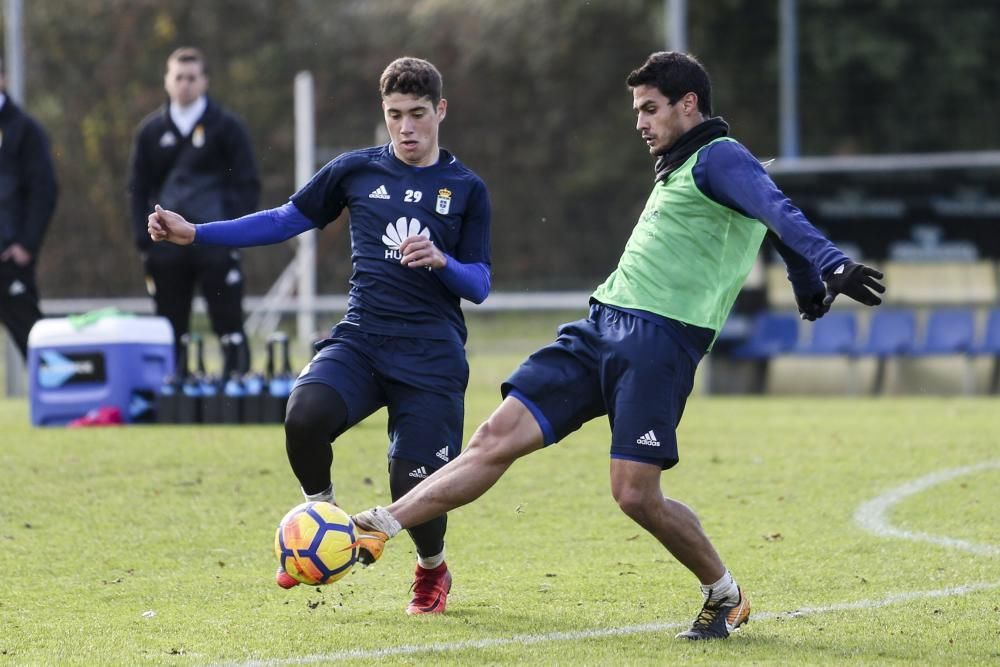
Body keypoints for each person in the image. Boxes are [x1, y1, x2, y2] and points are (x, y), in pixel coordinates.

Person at [349, 51, 885, 639]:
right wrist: (806, 279)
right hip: (599, 326)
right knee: (492, 439)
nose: (640, 122)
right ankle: (382, 523)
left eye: (651, 109)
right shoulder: (686, 163)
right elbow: (767, 212)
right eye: (637, 110)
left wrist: (827, 265)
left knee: (635, 495)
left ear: (689, 105)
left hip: (660, 343)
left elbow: (776, 209)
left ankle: (725, 594)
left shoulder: (720, 157)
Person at [147, 57, 492, 614]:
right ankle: (322, 521)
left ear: (440, 111)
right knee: (303, 415)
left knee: (414, 485)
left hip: (431, 355)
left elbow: (479, 283)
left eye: (418, 115)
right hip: (362, 338)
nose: (406, 128)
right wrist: (197, 233)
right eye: (395, 115)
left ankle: (432, 569)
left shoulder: (466, 189)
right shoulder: (356, 171)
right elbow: (286, 219)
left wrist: (442, 261)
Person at [129, 47, 259, 377]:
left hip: (214, 244)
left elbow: (247, 184)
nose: (185, 84)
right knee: (170, 326)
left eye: (192, 77)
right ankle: (173, 393)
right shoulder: (150, 132)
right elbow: (138, 188)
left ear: (204, 81)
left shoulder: (227, 127)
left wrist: (232, 231)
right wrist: (145, 240)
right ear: (167, 81)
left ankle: (236, 387)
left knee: (228, 319)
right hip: (166, 249)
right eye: (178, 77)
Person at [0, 63, 58, 359]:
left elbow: (44, 191)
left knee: (37, 351)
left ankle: (57, 405)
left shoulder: (24, 130)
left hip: (9, 261)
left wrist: (26, 244)